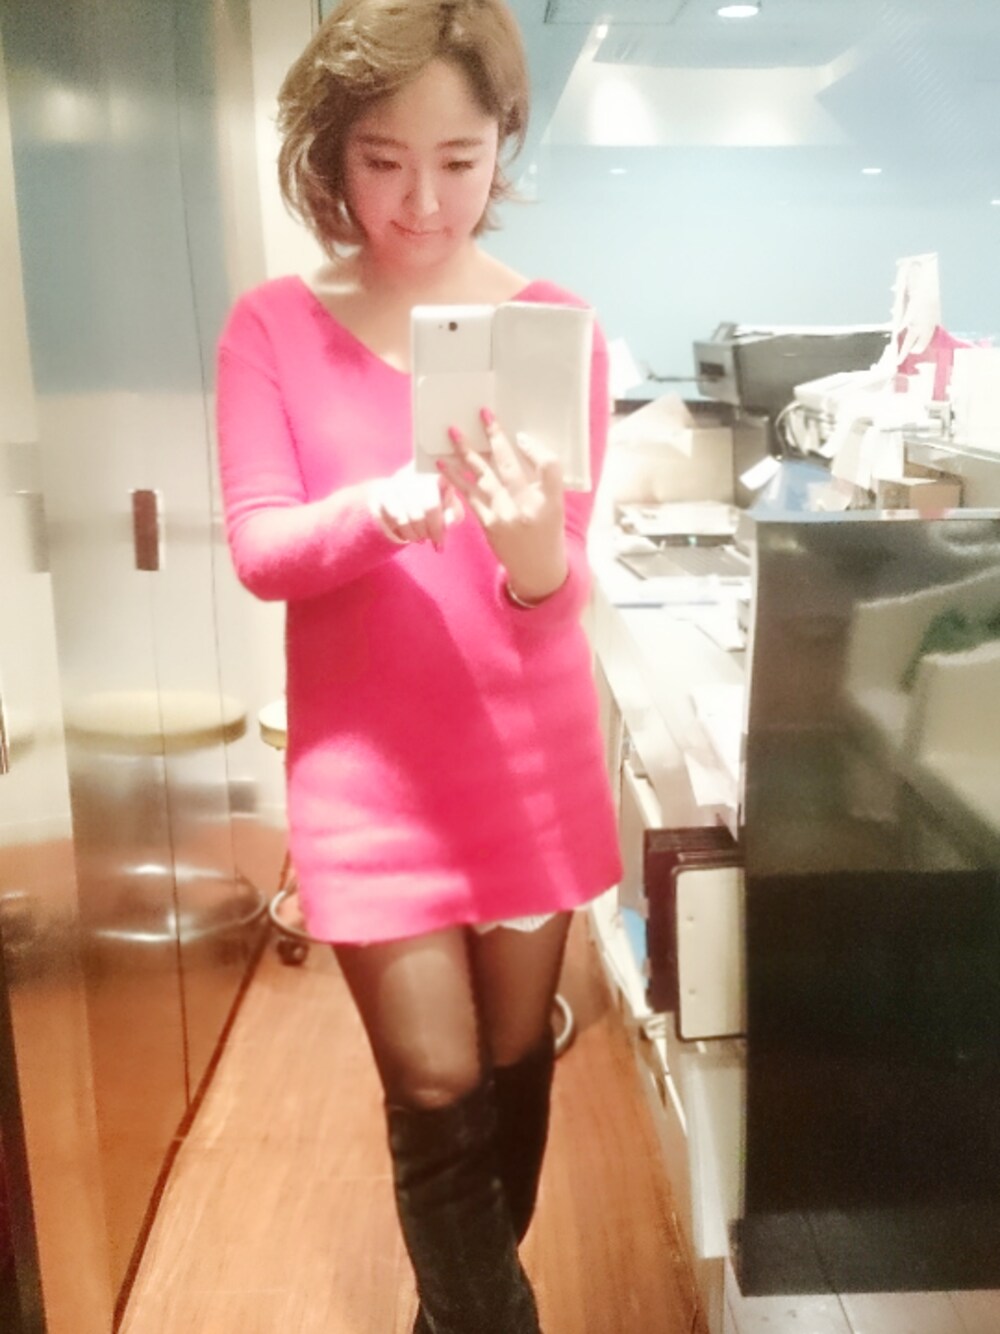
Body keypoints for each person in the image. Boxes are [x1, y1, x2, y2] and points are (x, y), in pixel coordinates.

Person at [216, 2, 622, 1330]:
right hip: (369, 779)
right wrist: (383, 509)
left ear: (503, 146)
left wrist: (533, 553)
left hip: (527, 763)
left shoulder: (555, 325)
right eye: (384, 160)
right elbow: (262, 549)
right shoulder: (273, 326)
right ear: (332, 152)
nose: (425, 199)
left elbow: (555, 589)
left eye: (460, 158)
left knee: (513, 1081)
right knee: (436, 1089)